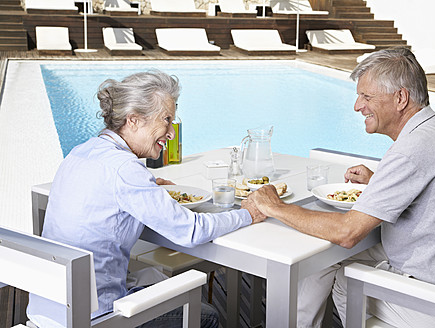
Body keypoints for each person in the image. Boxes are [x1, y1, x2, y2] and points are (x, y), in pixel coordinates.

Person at [249, 47, 435, 328]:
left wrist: (275, 206)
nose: (357, 106)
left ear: (400, 98)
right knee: (322, 261)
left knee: (345, 280)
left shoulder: (411, 150)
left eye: (366, 96)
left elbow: (347, 233)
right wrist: (379, 180)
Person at [27, 70, 266, 328]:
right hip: (94, 319)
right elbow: (192, 232)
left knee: (155, 278)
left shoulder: (79, 153)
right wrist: (250, 213)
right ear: (133, 120)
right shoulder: (126, 171)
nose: (171, 133)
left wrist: (148, 187)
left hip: (48, 312)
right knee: (208, 316)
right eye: (166, 119)